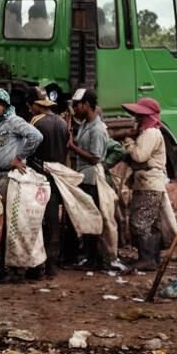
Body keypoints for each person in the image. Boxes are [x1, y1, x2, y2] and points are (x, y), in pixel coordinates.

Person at [67, 88, 112, 269]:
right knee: (85, 217)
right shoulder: (86, 124)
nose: (75, 109)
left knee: (91, 218)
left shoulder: (98, 129)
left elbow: (95, 157)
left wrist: (72, 147)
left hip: (91, 178)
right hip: (83, 176)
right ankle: (88, 257)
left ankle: (93, 259)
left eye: (77, 106)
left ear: (87, 105)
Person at [123, 96, 170, 269]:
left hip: (149, 183)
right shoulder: (149, 133)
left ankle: (147, 259)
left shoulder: (150, 133)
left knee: (139, 222)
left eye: (140, 116)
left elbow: (139, 156)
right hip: (149, 182)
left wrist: (128, 141)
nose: (137, 119)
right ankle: (152, 258)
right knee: (151, 223)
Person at [28, 89, 70, 279]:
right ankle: (53, 264)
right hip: (58, 177)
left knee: (36, 221)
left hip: (39, 177)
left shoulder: (36, 123)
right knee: (53, 221)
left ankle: (39, 265)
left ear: (37, 106)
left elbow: (30, 151)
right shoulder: (62, 123)